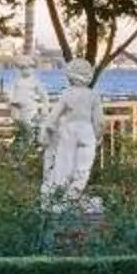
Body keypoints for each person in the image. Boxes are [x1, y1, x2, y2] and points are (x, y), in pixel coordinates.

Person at [40, 64, 103, 203]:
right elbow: (99, 122)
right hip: (87, 131)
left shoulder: (67, 94)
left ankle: (55, 198)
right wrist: (98, 136)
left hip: (69, 130)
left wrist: (47, 130)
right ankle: (72, 197)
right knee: (83, 169)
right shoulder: (93, 96)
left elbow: (53, 116)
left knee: (64, 166)